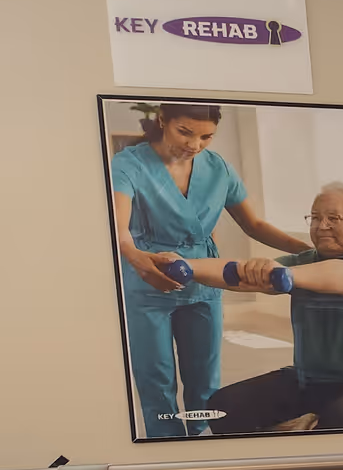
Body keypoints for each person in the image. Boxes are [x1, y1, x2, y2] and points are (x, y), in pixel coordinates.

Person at [110, 104, 310, 438]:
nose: (195, 144)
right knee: (156, 377)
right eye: (185, 132)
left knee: (204, 376)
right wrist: (135, 257)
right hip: (149, 279)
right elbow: (120, 230)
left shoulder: (218, 169)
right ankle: (167, 447)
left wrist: (310, 253)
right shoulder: (128, 165)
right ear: (162, 121)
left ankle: (204, 442)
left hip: (204, 279)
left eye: (206, 136)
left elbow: (255, 224)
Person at [182, 184, 343, 433]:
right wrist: (187, 266)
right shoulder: (304, 260)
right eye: (315, 218)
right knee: (224, 406)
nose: (322, 225)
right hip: (307, 379)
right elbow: (236, 274)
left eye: (334, 218)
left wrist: (284, 274)